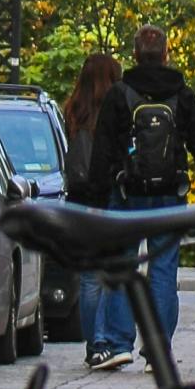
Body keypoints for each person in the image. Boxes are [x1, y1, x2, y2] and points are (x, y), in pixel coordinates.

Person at [85, 25, 195, 361]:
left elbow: (102, 149)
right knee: (163, 269)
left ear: (134, 54)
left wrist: (98, 198)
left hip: (126, 193)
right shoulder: (183, 95)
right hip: (170, 194)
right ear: (166, 53)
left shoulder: (119, 94)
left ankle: (118, 343)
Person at [61, 51, 125, 369]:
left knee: (88, 278)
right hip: (108, 196)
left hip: (78, 200)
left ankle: (93, 343)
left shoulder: (72, 111)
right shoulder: (115, 112)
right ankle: (105, 340)